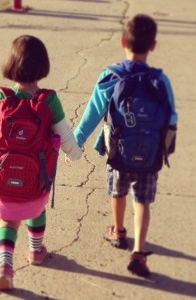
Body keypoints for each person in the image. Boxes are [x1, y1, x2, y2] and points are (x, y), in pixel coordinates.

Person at [73, 14, 177, 277]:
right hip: (150, 155)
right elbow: (171, 117)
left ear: (122, 42)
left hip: (119, 153)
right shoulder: (160, 80)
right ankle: (139, 253)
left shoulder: (111, 76)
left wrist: (76, 141)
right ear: (153, 45)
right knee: (142, 201)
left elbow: (93, 112)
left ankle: (118, 232)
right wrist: (164, 149)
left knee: (117, 193)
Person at [0, 35, 82, 290]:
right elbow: (65, 135)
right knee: (36, 211)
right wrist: (74, 154)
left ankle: (5, 266)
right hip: (37, 177)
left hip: (2, 177)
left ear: (10, 64)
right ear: (42, 67)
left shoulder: (1, 97)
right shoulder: (48, 101)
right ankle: (36, 252)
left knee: (8, 222)